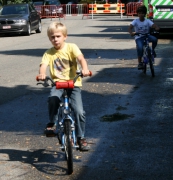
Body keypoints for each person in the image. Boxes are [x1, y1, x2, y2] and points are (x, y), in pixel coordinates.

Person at [37, 22, 90, 151]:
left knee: (79, 111)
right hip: (58, 84)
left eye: (58, 36)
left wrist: (85, 69)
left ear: (65, 36)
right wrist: (42, 73)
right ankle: (52, 123)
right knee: (53, 99)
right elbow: (43, 65)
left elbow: (81, 58)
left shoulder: (72, 47)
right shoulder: (48, 53)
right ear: (49, 38)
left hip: (73, 84)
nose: (55, 39)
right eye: (52, 37)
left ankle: (81, 137)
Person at [128, 5, 160, 69]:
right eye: (139, 13)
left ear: (145, 14)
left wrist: (156, 27)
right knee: (140, 48)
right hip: (139, 37)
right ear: (138, 14)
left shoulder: (147, 21)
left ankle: (153, 50)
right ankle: (140, 63)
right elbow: (130, 28)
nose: (141, 15)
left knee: (154, 39)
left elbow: (153, 25)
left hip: (147, 36)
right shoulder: (135, 21)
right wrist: (131, 33)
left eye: (142, 13)